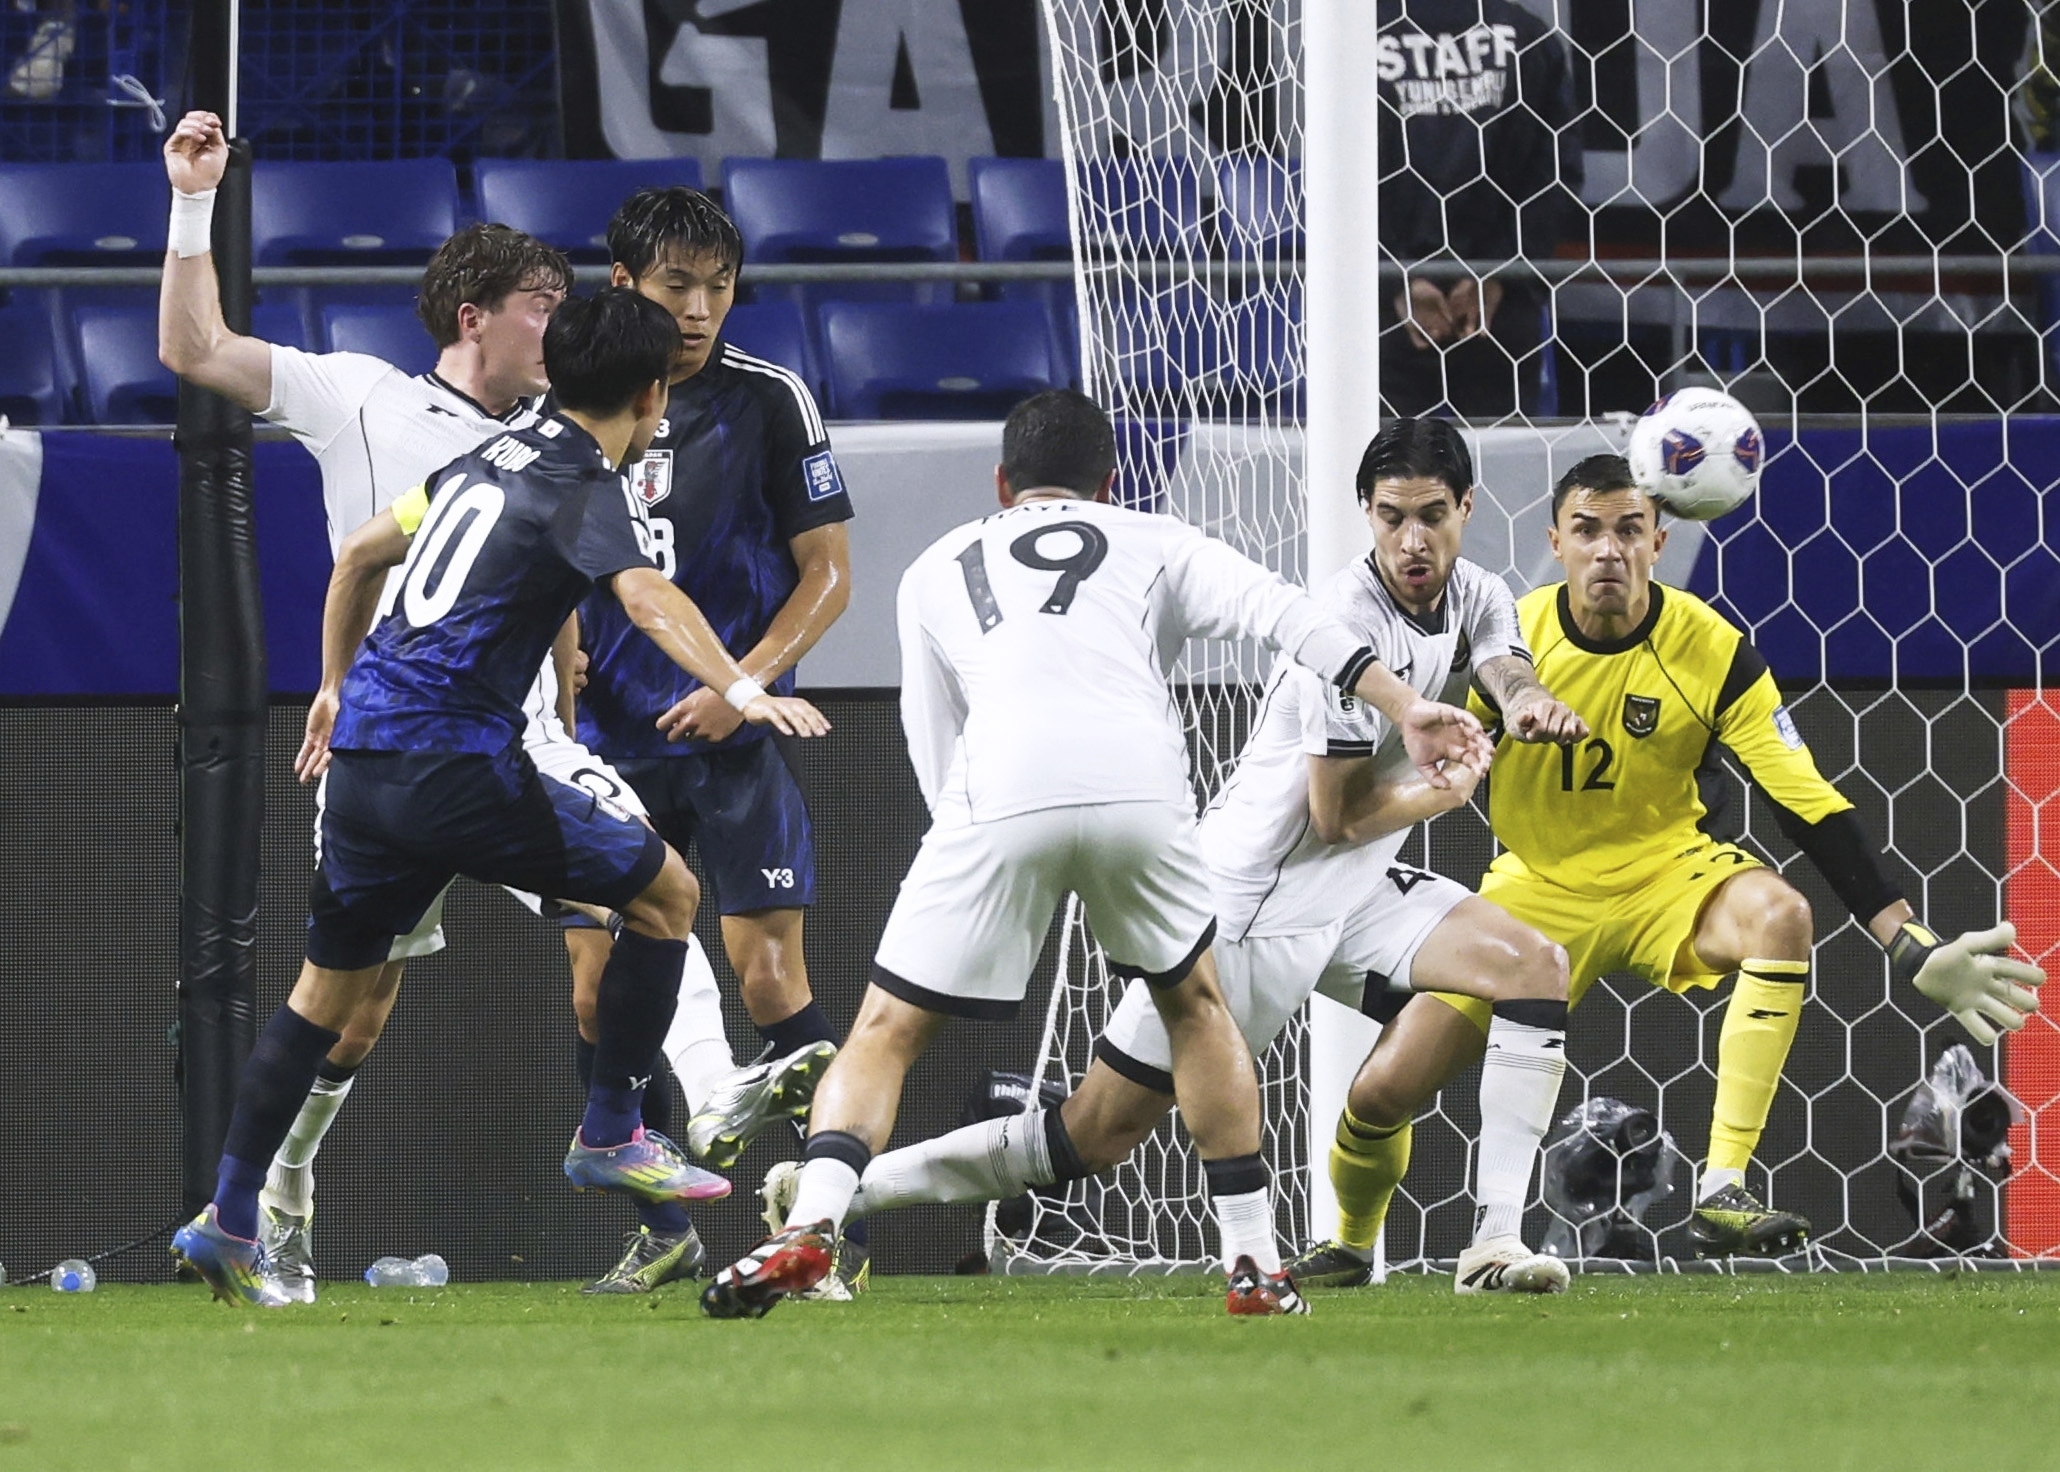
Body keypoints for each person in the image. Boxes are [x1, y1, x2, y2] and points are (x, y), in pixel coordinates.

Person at [700, 390, 1492, 1319]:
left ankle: (815, 1223)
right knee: (1197, 1008)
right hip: (1141, 789)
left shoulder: (935, 565)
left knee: (885, 1031)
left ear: (1002, 484)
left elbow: (932, 738)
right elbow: (1294, 621)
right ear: (1111, 482)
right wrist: (1406, 707)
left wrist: (980, 847)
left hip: (996, 790)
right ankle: (1253, 1265)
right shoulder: (1154, 539)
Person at [157, 113, 765, 1300]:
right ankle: (605, 1132)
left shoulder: (490, 459)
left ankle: (232, 1214)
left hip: (407, 738)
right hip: (457, 748)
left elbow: (368, 562)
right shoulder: (376, 403)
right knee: (657, 893)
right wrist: (194, 204)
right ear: (474, 315)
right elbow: (196, 348)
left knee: (349, 987)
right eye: (543, 297)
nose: (564, 312)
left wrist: (382, 676)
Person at [1306, 453, 2045, 1264]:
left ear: (1659, 540)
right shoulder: (1508, 638)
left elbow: (1805, 800)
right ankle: (1346, 1246)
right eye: (1587, 531)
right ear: (1556, 541)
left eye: (1629, 531)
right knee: (1384, 1089)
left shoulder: (1712, 648)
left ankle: (1722, 1187)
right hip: (1535, 886)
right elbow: (1411, 762)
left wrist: (1906, 938)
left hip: (1669, 875)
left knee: (1780, 916)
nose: (1608, 552)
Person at [562, 186, 861, 1295]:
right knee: (600, 996)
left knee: (771, 975)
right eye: (676, 284)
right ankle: (659, 1223)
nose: (699, 308)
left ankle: (833, 1234)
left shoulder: (771, 399)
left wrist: (747, 687)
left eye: (718, 285)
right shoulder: (570, 402)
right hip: (600, 747)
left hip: (732, 737)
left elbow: (828, 573)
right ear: (624, 284)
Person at [1377, 0, 1583, 421]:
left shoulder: (1354, 35)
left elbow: (1333, 171)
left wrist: (1397, 279)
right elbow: (1556, 178)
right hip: (1493, 306)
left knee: (1391, 474)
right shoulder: (1528, 35)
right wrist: (1499, 274)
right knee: (1499, 471)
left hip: (1392, 306)